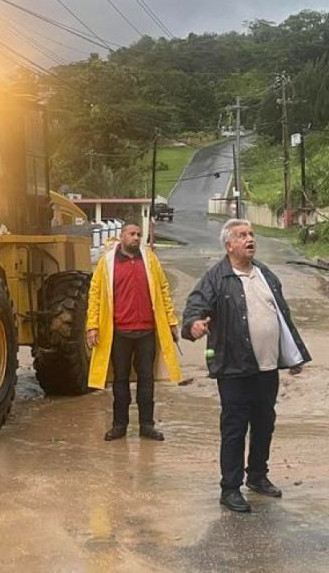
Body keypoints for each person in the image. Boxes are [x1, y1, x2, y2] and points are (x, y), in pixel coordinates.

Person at [182, 218, 311, 513]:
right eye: (242, 235)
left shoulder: (265, 273)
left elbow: (282, 316)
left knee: (265, 423)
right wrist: (194, 326)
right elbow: (193, 310)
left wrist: (292, 356)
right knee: (234, 428)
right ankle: (230, 489)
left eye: (251, 234)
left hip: (267, 367)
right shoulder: (216, 278)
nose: (250, 239)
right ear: (229, 245)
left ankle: (257, 476)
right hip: (234, 369)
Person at [86, 221, 181, 441]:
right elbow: (95, 295)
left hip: (146, 332)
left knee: (146, 381)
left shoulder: (150, 260)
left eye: (139, 234)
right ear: (121, 236)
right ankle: (119, 425)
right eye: (132, 234)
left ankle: (147, 425)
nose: (136, 238)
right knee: (120, 382)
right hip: (119, 333)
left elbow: (164, 291)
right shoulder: (106, 263)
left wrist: (170, 321)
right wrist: (92, 326)